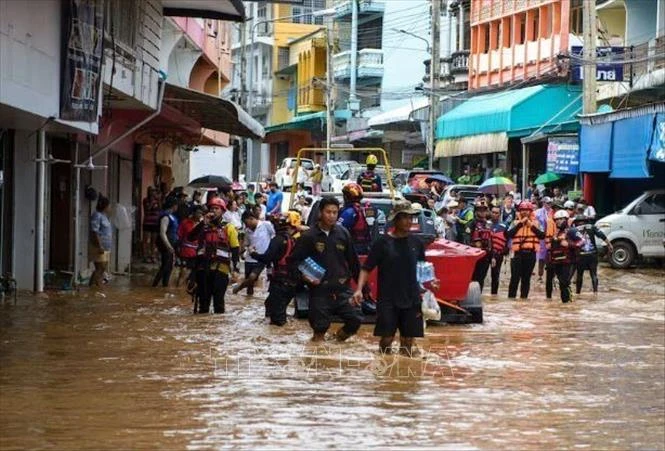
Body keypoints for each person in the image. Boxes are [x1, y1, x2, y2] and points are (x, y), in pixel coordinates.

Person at [353, 200, 435, 356]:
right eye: (404, 217)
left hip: (412, 298)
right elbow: (366, 268)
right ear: (395, 220)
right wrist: (358, 290)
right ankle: (385, 369)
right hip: (388, 299)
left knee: (408, 342)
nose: (408, 221)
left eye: (410, 217)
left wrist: (432, 282)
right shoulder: (382, 243)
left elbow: (422, 269)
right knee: (386, 339)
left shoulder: (416, 243)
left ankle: (404, 375)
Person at [289, 196, 362, 342]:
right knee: (319, 329)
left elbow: (354, 262)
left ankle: (337, 342)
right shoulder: (309, 236)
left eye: (335, 212)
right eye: (328, 212)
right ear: (320, 213)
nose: (332, 216)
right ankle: (319, 357)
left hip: (342, 289)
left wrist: (362, 289)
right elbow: (293, 261)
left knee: (355, 320)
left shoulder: (343, 233)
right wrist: (304, 277)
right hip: (319, 291)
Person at [188, 197, 240, 314]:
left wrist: (235, 269)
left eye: (217, 208)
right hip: (203, 268)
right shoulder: (203, 226)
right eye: (212, 208)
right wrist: (202, 223)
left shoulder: (229, 227)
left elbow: (235, 249)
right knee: (203, 302)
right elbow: (190, 237)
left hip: (221, 269)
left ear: (222, 211)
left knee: (218, 302)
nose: (213, 211)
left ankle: (217, 327)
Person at [249, 214, 300, 325]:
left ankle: (279, 339)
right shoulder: (294, 241)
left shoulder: (278, 240)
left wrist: (253, 254)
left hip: (280, 283)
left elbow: (267, 258)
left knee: (277, 318)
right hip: (291, 283)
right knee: (271, 305)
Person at [506, 201, 545, 299]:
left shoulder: (536, 223)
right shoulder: (514, 222)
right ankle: (511, 299)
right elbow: (508, 234)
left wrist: (530, 225)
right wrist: (520, 224)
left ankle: (524, 300)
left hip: (530, 254)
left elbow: (542, 235)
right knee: (514, 278)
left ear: (530, 211)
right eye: (522, 210)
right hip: (517, 254)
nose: (524, 212)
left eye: (527, 210)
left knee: (526, 279)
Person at [232, 210, 275, 296]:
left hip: (261, 258)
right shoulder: (247, 231)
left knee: (252, 277)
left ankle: (238, 288)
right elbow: (246, 244)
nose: (246, 225)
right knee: (250, 285)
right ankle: (248, 301)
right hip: (249, 258)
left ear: (251, 219)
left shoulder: (266, 225)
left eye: (246, 222)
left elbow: (274, 236)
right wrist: (241, 251)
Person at [547, 210, 583, 303]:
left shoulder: (572, 230)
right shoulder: (557, 233)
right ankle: (565, 305)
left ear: (566, 219)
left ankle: (568, 303)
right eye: (557, 220)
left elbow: (583, 241)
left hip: (569, 261)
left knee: (565, 282)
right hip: (557, 262)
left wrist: (569, 244)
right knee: (562, 284)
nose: (559, 221)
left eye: (561, 219)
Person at [574, 215, 612, 295]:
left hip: (581, 256)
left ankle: (578, 293)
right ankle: (595, 293)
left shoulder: (574, 230)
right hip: (592, 254)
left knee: (579, 274)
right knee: (593, 274)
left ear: (577, 222)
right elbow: (601, 235)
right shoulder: (592, 227)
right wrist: (609, 244)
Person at [338, 182, 376, 255]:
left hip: (352, 247)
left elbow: (337, 230)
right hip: (365, 246)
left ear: (346, 197)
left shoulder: (349, 212)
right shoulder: (365, 210)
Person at [152, 197, 179, 288]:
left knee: (169, 266)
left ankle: (164, 286)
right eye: (176, 205)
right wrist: (168, 245)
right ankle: (154, 285)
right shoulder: (165, 217)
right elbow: (162, 232)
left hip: (171, 243)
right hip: (166, 244)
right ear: (173, 206)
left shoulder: (171, 216)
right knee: (165, 266)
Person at [175, 206, 204, 288]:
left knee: (193, 277)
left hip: (196, 254)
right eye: (198, 213)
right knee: (183, 273)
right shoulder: (185, 223)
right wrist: (177, 249)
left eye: (201, 213)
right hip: (185, 252)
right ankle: (178, 290)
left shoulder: (202, 224)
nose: (200, 215)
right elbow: (179, 236)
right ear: (193, 213)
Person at [467, 201, 493, 291]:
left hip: (485, 255)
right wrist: (474, 245)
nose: (482, 212)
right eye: (480, 210)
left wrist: (492, 257)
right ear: (476, 212)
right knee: (473, 278)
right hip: (474, 256)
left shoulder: (488, 224)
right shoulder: (471, 224)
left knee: (481, 278)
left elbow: (491, 240)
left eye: (484, 210)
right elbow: (466, 240)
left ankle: (479, 296)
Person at [89, 195, 113, 287]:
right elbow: (95, 232)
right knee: (100, 267)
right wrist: (99, 246)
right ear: (105, 206)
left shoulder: (104, 216)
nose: (110, 208)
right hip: (98, 246)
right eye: (109, 206)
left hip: (105, 247)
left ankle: (95, 287)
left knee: (102, 268)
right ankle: (94, 287)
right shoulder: (97, 215)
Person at [489, 205, 509, 295]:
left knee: (495, 276)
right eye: (493, 212)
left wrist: (505, 251)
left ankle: (494, 294)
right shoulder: (486, 224)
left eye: (496, 213)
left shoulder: (504, 226)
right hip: (486, 253)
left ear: (500, 214)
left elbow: (508, 241)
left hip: (498, 253)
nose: (494, 214)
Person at [535, 196, 554, 283]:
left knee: (551, 257)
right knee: (541, 258)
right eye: (547, 203)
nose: (549, 205)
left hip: (551, 237)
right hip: (541, 238)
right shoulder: (537, 212)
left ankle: (551, 276)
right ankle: (540, 275)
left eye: (550, 203)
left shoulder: (552, 212)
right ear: (543, 203)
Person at [142, 187, 161, 263]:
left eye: (154, 191)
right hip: (147, 222)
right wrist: (152, 202)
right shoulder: (145, 200)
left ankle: (152, 255)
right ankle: (145, 255)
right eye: (152, 191)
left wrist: (158, 200)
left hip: (155, 222)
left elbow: (160, 209)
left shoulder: (157, 200)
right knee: (146, 240)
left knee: (154, 240)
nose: (153, 193)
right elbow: (147, 209)